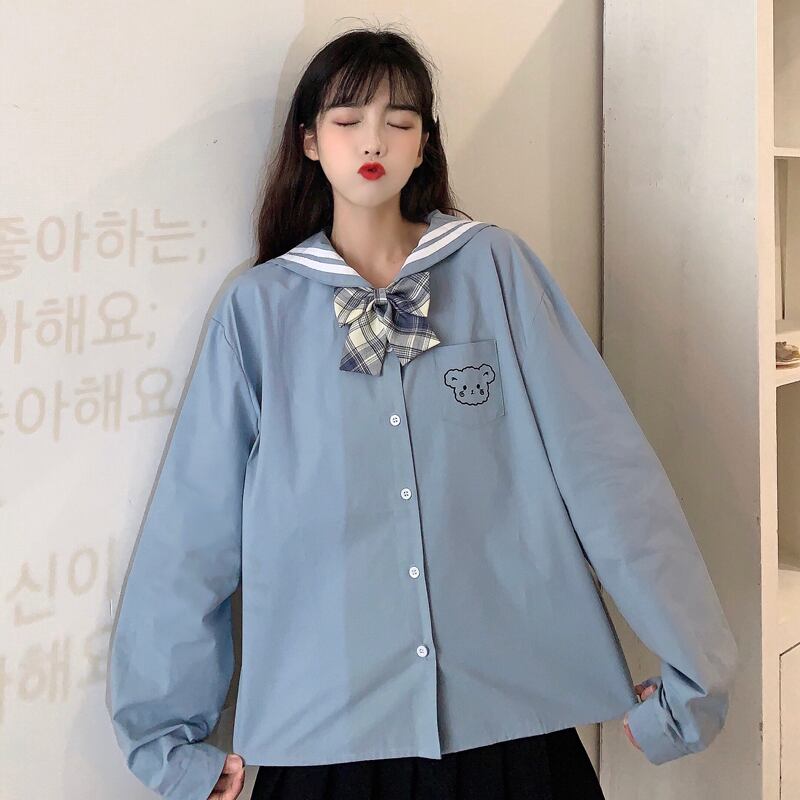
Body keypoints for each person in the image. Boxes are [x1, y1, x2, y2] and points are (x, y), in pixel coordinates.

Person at [105, 25, 738, 800]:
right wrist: (168, 744)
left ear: (423, 145)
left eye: (398, 120)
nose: (373, 138)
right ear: (309, 141)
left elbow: (607, 472)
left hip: (512, 719)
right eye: (348, 120)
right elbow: (193, 531)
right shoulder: (258, 312)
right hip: (325, 732)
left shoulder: (495, 270)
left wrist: (693, 681)